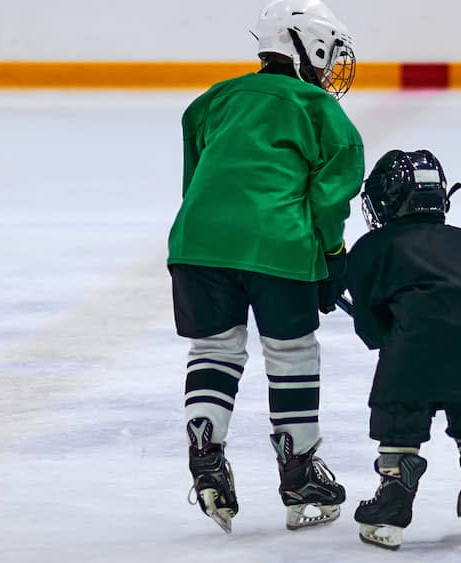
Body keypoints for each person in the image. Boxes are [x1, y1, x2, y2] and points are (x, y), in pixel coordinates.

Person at [167, 0, 364, 534]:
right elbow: (330, 198)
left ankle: (206, 456)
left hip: (195, 246)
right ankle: (299, 473)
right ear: (310, 46)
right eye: (328, 56)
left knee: (213, 349)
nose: (330, 69)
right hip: (279, 247)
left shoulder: (214, 99)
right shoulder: (322, 111)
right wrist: (332, 258)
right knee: (292, 351)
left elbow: (196, 178)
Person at [345, 150, 461, 550]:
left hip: (410, 356)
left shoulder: (371, 247)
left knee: (400, 414)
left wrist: (399, 343)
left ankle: (394, 501)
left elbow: (370, 325)